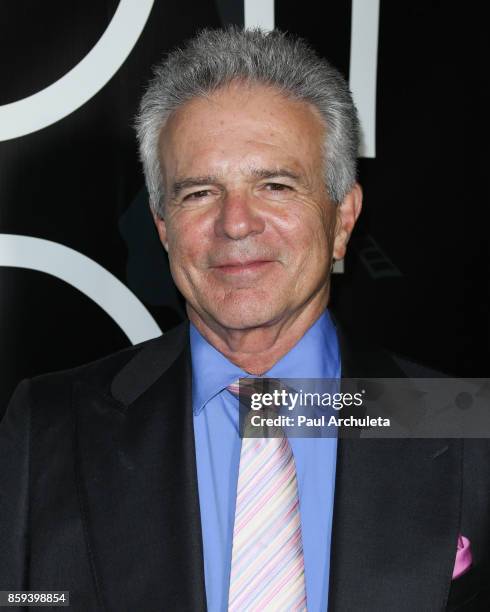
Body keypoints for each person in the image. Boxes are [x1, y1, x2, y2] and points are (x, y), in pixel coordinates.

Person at [1, 27, 488, 612]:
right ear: (163, 228)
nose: (236, 224)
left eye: (276, 185)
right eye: (199, 193)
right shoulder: (50, 428)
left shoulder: (461, 428)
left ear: (343, 219)